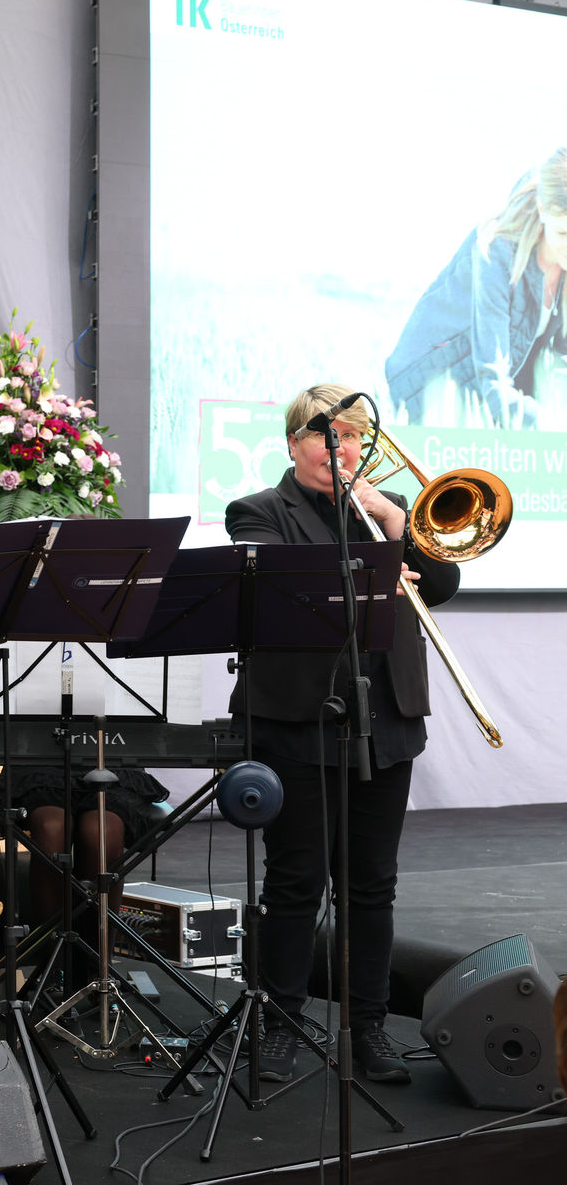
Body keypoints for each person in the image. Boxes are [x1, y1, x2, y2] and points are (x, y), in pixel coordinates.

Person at [226, 384, 459, 1084]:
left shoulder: (386, 514)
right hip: (299, 718)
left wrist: (392, 515)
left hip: (385, 716)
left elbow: (442, 584)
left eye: (356, 438)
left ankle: (369, 1030)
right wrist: (375, 578)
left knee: (373, 887)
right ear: (295, 444)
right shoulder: (259, 512)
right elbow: (277, 592)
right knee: (296, 882)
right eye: (329, 438)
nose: (344, 451)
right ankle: (282, 1022)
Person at [386, 147, 567, 430]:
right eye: (563, 233)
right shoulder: (496, 251)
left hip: (487, 409)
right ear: (543, 209)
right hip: (426, 395)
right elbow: (493, 384)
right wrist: (551, 421)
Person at [9, 765, 166, 990]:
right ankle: (54, 964)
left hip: (112, 767)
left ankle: (100, 966)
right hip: (44, 766)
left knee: (102, 832)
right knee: (52, 828)